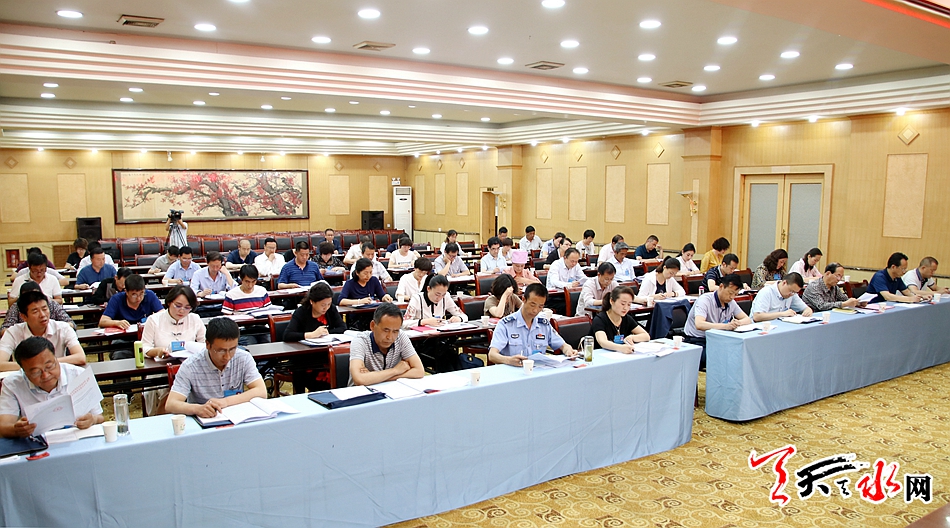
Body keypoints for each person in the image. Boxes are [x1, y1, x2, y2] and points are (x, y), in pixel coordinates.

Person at [0, 337, 104, 438]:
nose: (45, 375)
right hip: (37, 442)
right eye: (36, 372)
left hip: (77, 438)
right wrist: (17, 430)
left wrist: (93, 420)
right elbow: (3, 427)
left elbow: (100, 417)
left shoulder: (79, 375)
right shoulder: (12, 384)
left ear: (56, 359)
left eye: (49, 366)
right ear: (24, 372)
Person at [165, 318, 266, 418]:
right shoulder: (190, 366)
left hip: (236, 416)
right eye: (221, 351)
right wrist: (197, 409)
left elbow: (261, 391)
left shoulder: (243, 358)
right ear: (208, 345)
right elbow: (171, 404)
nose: (227, 356)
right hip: (205, 419)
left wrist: (226, 402)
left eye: (232, 349)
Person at [488, 284, 575, 365]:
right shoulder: (506, 324)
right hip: (513, 370)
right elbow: (492, 355)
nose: (535, 310)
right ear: (524, 299)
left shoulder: (543, 324)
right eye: (532, 305)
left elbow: (563, 345)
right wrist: (508, 360)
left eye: (540, 306)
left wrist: (568, 350)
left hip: (538, 371)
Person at [0, 290, 86, 371]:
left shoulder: (63, 328)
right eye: (35, 311)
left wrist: (44, 364)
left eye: (45, 309)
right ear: (24, 317)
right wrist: (35, 367)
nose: (42, 315)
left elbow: (80, 357)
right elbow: (1, 363)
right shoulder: (13, 332)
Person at [683, 274, 753, 368]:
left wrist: (738, 323)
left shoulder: (731, 302)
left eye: (735, 294)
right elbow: (699, 324)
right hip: (698, 341)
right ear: (721, 287)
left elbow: (747, 319)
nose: (732, 297)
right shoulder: (705, 300)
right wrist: (726, 326)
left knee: (741, 353)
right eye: (730, 293)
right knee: (724, 357)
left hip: (718, 339)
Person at [349, 303, 425, 386]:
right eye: (386, 330)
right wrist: (395, 371)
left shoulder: (401, 336)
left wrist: (374, 378)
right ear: (373, 326)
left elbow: (419, 371)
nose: (390, 337)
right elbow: (359, 379)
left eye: (395, 331)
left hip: (390, 389)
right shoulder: (360, 341)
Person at [141, 286, 206, 360]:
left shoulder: (195, 319)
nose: (182, 311)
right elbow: (144, 348)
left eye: (187, 308)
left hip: (190, 363)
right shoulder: (154, 320)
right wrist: (157, 351)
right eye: (178, 306)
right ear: (169, 302)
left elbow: (205, 344)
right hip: (162, 363)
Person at [222, 265, 273, 345]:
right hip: (243, 330)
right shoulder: (231, 294)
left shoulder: (262, 291)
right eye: (247, 281)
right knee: (251, 344)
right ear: (241, 279)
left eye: (253, 281)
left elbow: (269, 311)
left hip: (262, 328)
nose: (250, 285)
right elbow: (227, 317)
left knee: (269, 343)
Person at [590, 286, 651, 352]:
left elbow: (646, 336)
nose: (625, 308)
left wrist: (632, 337)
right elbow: (603, 342)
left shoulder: (627, 318)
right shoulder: (599, 319)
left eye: (629, 304)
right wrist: (621, 348)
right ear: (611, 301)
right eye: (623, 304)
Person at [99, 274, 163, 331]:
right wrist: (117, 323)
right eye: (134, 295)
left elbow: (163, 314)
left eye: (141, 293)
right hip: (123, 337)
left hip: (146, 333)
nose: (138, 298)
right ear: (126, 292)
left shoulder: (149, 295)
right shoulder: (116, 299)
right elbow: (102, 322)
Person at [2, 282, 74, 334]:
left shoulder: (51, 303)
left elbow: (71, 324)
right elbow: (4, 330)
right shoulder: (16, 306)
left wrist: (55, 329)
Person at [402, 274, 467, 327]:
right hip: (422, 336)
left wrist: (459, 318)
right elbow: (404, 323)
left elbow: (464, 316)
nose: (440, 298)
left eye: (443, 294)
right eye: (437, 294)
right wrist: (424, 321)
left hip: (441, 333)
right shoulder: (417, 299)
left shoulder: (446, 297)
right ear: (428, 289)